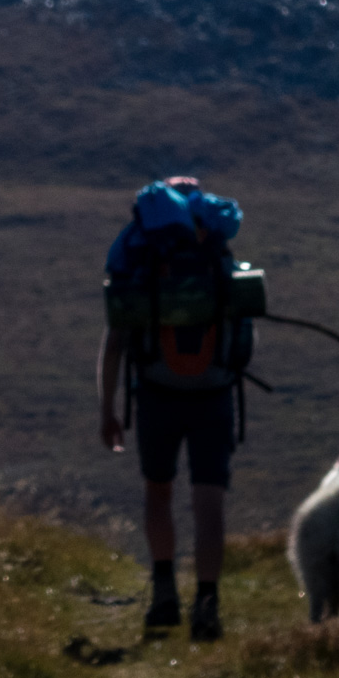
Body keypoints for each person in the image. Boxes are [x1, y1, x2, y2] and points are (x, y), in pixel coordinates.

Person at [97, 177, 249, 642]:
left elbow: (115, 342)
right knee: (209, 502)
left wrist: (108, 409)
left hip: (157, 392)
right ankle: (207, 604)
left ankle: (164, 591)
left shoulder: (144, 256)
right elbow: (245, 334)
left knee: (158, 492)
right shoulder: (216, 253)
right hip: (214, 395)